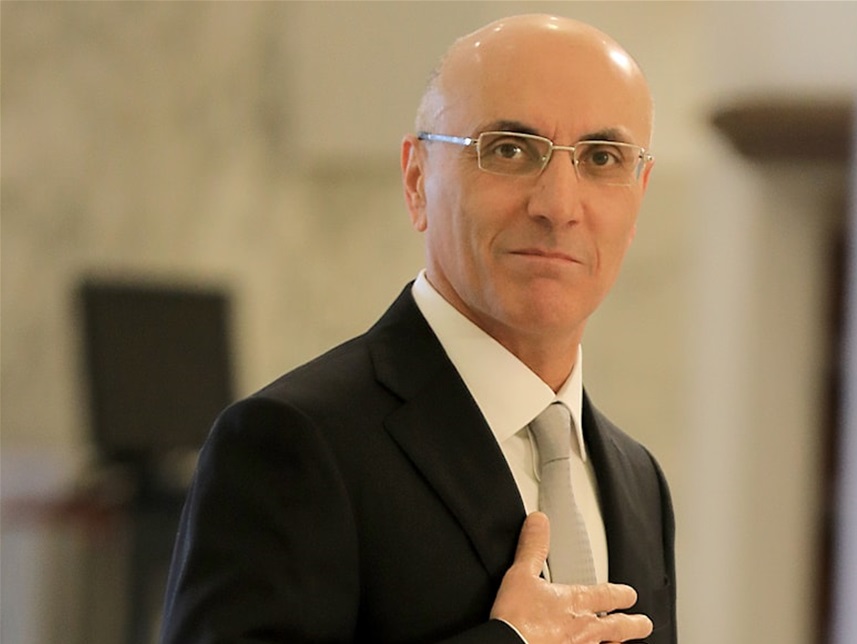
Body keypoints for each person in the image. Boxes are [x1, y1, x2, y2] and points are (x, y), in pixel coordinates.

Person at [160, 14, 675, 644]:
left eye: (601, 158)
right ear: (416, 181)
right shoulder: (292, 443)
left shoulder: (638, 480)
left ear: (639, 193)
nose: (558, 206)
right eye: (509, 149)